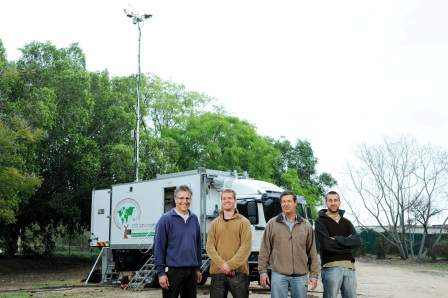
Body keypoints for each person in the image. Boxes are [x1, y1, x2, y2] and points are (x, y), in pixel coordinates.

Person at [258, 190, 320, 298]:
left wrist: (314, 275)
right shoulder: (272, 224)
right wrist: (262, 272)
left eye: (289, 201)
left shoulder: (306, 226)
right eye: (283, 202)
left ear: (295, 203)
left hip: (301, 277)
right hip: (278, 275)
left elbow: (313, 252)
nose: (286, 204)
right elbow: (264, 250)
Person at [154, 185, 202, 298]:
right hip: (172, 272)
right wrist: (161, 273)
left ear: (191, 199)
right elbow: (159, 248)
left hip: (191, 272)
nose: (184, 201)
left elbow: (198, 245)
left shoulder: (194, 219)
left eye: (187, 198)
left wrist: (198, 268)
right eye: (181, 198)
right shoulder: (165, 219)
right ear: (175, 199)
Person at [206, 188, 252, 298]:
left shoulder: (244, 222)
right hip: (218, 272)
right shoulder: (214, 224)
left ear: (235, 200)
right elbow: (210, 247)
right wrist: (223, 265)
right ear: (221, 201)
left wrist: (230, 265)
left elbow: (245, 247)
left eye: (230, 198)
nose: (227, 200)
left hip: (239, 272)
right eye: (224, 198)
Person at [315, 190, 361, 298]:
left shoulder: (347, 222)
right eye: (330, 200)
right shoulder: (320, 222)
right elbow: (327, 245)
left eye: (335, 200)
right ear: (326, 203)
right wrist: (347, 244)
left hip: (350, 268)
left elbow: (357, 242)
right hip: (331, 267)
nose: (333, 202)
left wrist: (336, 239)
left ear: (339, 202)